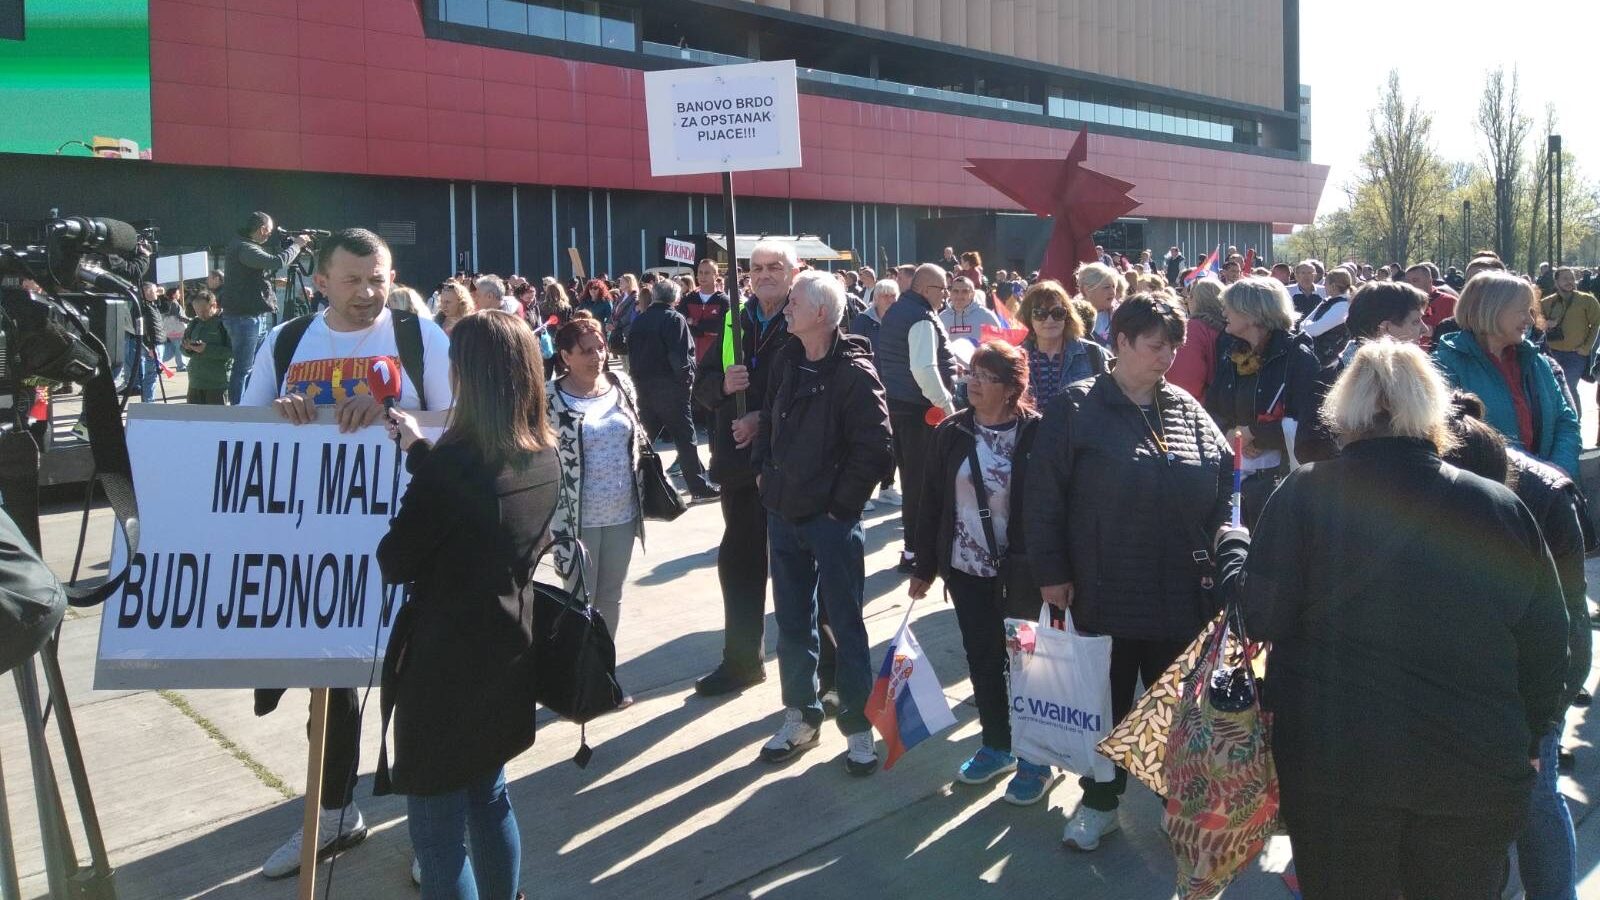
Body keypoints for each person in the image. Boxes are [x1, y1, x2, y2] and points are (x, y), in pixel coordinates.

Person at [1213, 340, 1567, 900]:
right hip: (1472, 759)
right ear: (1431, 406)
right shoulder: (1496, 504)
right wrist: (1534, 732)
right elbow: (1548, 637)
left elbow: (1261, 617)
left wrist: (1233, 551)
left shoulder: (1305, 493)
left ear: (1345, 408)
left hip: (1338, 761)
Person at [246, 228, 454, 880]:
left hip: (414, 550)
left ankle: (433, 833)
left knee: (416, 691)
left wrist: (398, 414)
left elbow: (466, 424)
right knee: (331, 694)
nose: (368, 293)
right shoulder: (285, 343)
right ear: (321, 282)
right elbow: (238, 429)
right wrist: (278, 415)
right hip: (321, 559)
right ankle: (333, 814)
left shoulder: (422, 339)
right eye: (353, 280)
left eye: (379, 278)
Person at [1026, 294, 1233, 850]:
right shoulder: (1076, 408)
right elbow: (1043, 497)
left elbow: (1222, 486)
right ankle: (1101, 805)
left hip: (1179, 594)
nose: (1167, 356)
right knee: (1107, 709)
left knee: (1176, 709)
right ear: (1119, 342)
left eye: (1173, 345)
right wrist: (1051, 571)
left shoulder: (1188, 409)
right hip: (1103, 589)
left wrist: (1220, 554)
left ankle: (1180, 805)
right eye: (1155, 344)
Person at [375, 311, 556, 900]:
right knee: (490, 796)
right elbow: (481, 508)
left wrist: (425, 472)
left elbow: (396, 558)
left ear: (467, 376)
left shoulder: (458, 465)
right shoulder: (542, 453)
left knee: (436, 835)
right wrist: (420, 451)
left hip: (443, 666)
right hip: (507, 651)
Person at [1442, 392, 1591, 900]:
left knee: (1535, 794)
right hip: (1479, 667)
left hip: (1537, 669)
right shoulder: (1456, 496)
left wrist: (1540, 725)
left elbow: (1566, 624)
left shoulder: (1545, 498)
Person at [751, 270, 893, 774]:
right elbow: (771, 419)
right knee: (792, 624)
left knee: (846, 624)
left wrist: (841, 507)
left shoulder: (855, 374)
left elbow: (876, 447)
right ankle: (801, 715)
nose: (786, 308)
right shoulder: (788, 361)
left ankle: (858, 728)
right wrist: (766, 476)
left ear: (821, 315)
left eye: (795, 302)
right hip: (784, 514)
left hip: (829, 523)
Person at [908, 341, 1048, 802]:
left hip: (1024, 577)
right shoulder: (951, 432)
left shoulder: (1037, 435)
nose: (974, 383)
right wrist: (925, 566)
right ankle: (997, 744)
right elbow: (930, 503)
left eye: (987, 378)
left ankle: (1035, 757)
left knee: (1027, 663)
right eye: (971, 374)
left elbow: (1057, 508)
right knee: (983, 658)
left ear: (1012, 389)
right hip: (967, 571)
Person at [691, 241, 802, 696]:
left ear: (794, 273)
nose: (764, 275)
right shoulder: (735, 317)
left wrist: (765, 420)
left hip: (791, 466)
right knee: (738, 562)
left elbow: (821, 391)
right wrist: (722, 384)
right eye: (756, 268)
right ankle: (740, 662)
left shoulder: (808, 313)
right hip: (738, 465)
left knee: (800, 573)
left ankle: (818, 677)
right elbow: (699, 387)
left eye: (775, 267)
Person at [547, 311, 647, 650]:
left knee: (610, 597)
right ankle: (577, 684)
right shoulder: (549, 399)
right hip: (575, 519)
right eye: (587, 351)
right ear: (565, 357)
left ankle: (603, 678)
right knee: (577, 601)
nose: (597, 357)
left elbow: (638, 438)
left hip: (622, 513)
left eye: (601, 348)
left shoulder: (622, 386)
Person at [1433, 271, 1580, 478]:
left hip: (1547, 495)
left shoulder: (1536, 362)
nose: (1530, 320)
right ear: (1491, 310)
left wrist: (1558, 471)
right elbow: (1448, 443)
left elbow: (1565, 421)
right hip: (1486, 500)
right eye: (1522, 311)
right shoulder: (1445, 366)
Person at [1204, 276, 1320, 526]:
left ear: (1252, 313)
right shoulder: (1231, 351)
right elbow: (1213, 406)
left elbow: (1310, 424)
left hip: (1279, 486)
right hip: (1234, 480)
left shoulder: (1298, 357)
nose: (1223, 311)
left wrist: (1254, 433)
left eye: (1230, 306)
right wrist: (1231, 433)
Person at [877, 263, 958, 574]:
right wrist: (948, 405)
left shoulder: (898, 311)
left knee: (913, 482)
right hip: (920, 412)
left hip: (900, 407)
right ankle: (917, 552)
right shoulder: (921, 318)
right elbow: (924, 369)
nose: (945, 296)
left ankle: (915, 549)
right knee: (922, 485)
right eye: (942, 290)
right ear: (927, 289)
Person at [627, 279, 718, 500]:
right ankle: (698, 488)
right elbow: (680, 356)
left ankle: (630, 487)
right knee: (685, 438)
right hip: (669, 388)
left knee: (643, 441)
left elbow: (631, 352)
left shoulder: (641, 319)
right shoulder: (674, 319)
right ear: (676, 298)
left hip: (643, 386)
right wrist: (687, 383)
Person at [218, 211, 313, 404]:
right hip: (245, 317)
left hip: (250, 315)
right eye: (269, 232)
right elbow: (276, 261)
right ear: (262, 229)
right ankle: (239, 408)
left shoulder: (241, 246)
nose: (269, 236)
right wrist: (297, 245)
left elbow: (248, 276)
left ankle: (250, 402)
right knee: (243, 368)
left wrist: (271, 281)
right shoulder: (244, 247)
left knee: (255, 365)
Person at [849, 279, 905, 508]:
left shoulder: (900, 321)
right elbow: (855, 350)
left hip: (895, 388)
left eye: (893, 296)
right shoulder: (863, 321)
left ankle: (887, 487)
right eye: (885, 296)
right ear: (876, 298)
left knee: (892, 440)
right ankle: (863, 493)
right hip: (869, 389)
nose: (890, 300)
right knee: (869, 439)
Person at [1018, 279, 1108, 409]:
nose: (1049, 320)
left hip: (1078, 429)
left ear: (1067, 316)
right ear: (1028, 318)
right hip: (1032, 429)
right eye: (1040, 313)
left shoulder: (1093, 353)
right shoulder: (1015, 357)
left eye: (1057, 313)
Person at [1539, 266, 1600, 414]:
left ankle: (1575, 421)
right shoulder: (1546, 302)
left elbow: (1597, 323)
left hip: (1576, 355)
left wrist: (1586, 348)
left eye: (1572, 278)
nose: (1569, 282)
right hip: (1552, 354)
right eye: (1565, 278)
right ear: (1556, 281)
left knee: (1568, 386)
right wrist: (1546, 324)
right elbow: (1535, 321)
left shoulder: (1587, 301)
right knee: (1554, 388)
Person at [1167, 277, 1226, 399]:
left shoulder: (1193, 329)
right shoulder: (1232, 327)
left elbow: (1185, 381)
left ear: (1198, 300)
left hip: (1200, 407)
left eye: (1191, 296)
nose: (1187, 299)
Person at [181, 289, 231, 405]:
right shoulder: (194, 323)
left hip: (217, 384)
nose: (200, 315)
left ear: (214, 305)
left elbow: (232, 352)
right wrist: (188, 348)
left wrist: (206, 349)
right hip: (195, 382)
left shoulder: (225, 324)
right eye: (197, 311)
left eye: (204, 311)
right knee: (194, 421)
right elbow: (182, 348)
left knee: (216, 420)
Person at [1299, 267, 1354, 367]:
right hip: (1320, 358)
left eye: (1326, 283)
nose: (1324, 286)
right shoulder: (1329, 301)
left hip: (1330, 362)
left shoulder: (1343, 306)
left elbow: (1313, 330)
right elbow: (1302, 326)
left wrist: (1306, 326)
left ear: (1333, 286)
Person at [1403, 262, 1456, 348]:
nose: (1410, 285)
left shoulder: (1449, 302)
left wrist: (1434, 331)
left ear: (1430, 281)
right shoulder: (1402, 303)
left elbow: (1457, 332)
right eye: (1407, 282)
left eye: (1415, 280)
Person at [939, 276, 1003, 343]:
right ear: (950, 293)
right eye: (955, 291)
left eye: (965, 291)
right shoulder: (942, 318)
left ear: (972, 294)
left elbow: (998, 346)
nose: (959, 295)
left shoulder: (987, 317)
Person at [1075, 261, 1124, 347]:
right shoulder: (1072, 319)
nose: (1112, 292)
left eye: (1114, 286)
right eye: (1106, 287)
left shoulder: (1120, 316)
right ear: (1087, 290)